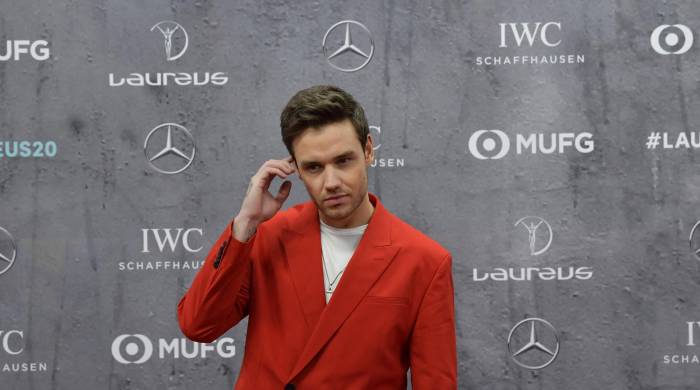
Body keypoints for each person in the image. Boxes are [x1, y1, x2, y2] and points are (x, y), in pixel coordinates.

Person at [177, 85, 457, 389]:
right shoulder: (269, 237)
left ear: (368, 150)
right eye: (313, 167)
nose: (331, 182)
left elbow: (436, 383)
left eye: (343, 161)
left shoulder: (424, 261)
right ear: (295, 169)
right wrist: (245, 224)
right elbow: (198, 325)